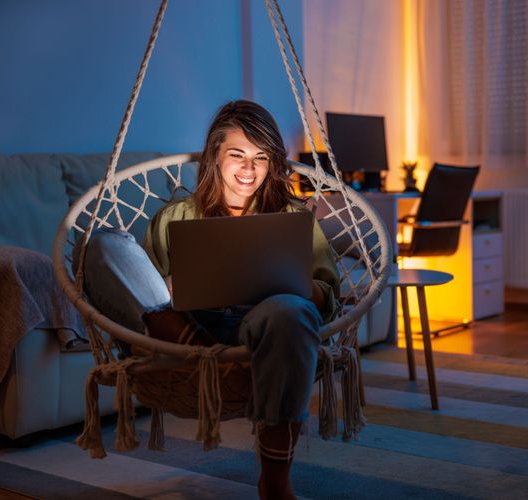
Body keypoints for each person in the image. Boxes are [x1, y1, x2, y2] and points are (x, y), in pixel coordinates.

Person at [77, 100, 340, 500]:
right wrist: (170, 285)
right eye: (237, 155)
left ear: (272, 164)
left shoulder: (292, 217)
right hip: (184, 327)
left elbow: (329, 294)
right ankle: (202, 353)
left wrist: (292, 283)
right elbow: (141, 293)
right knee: (99, 245)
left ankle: (275, 481)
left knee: (293, 312)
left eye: (261, 158)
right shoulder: (176, 217)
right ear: (215, 158)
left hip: (261, 330)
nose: (249, 169)